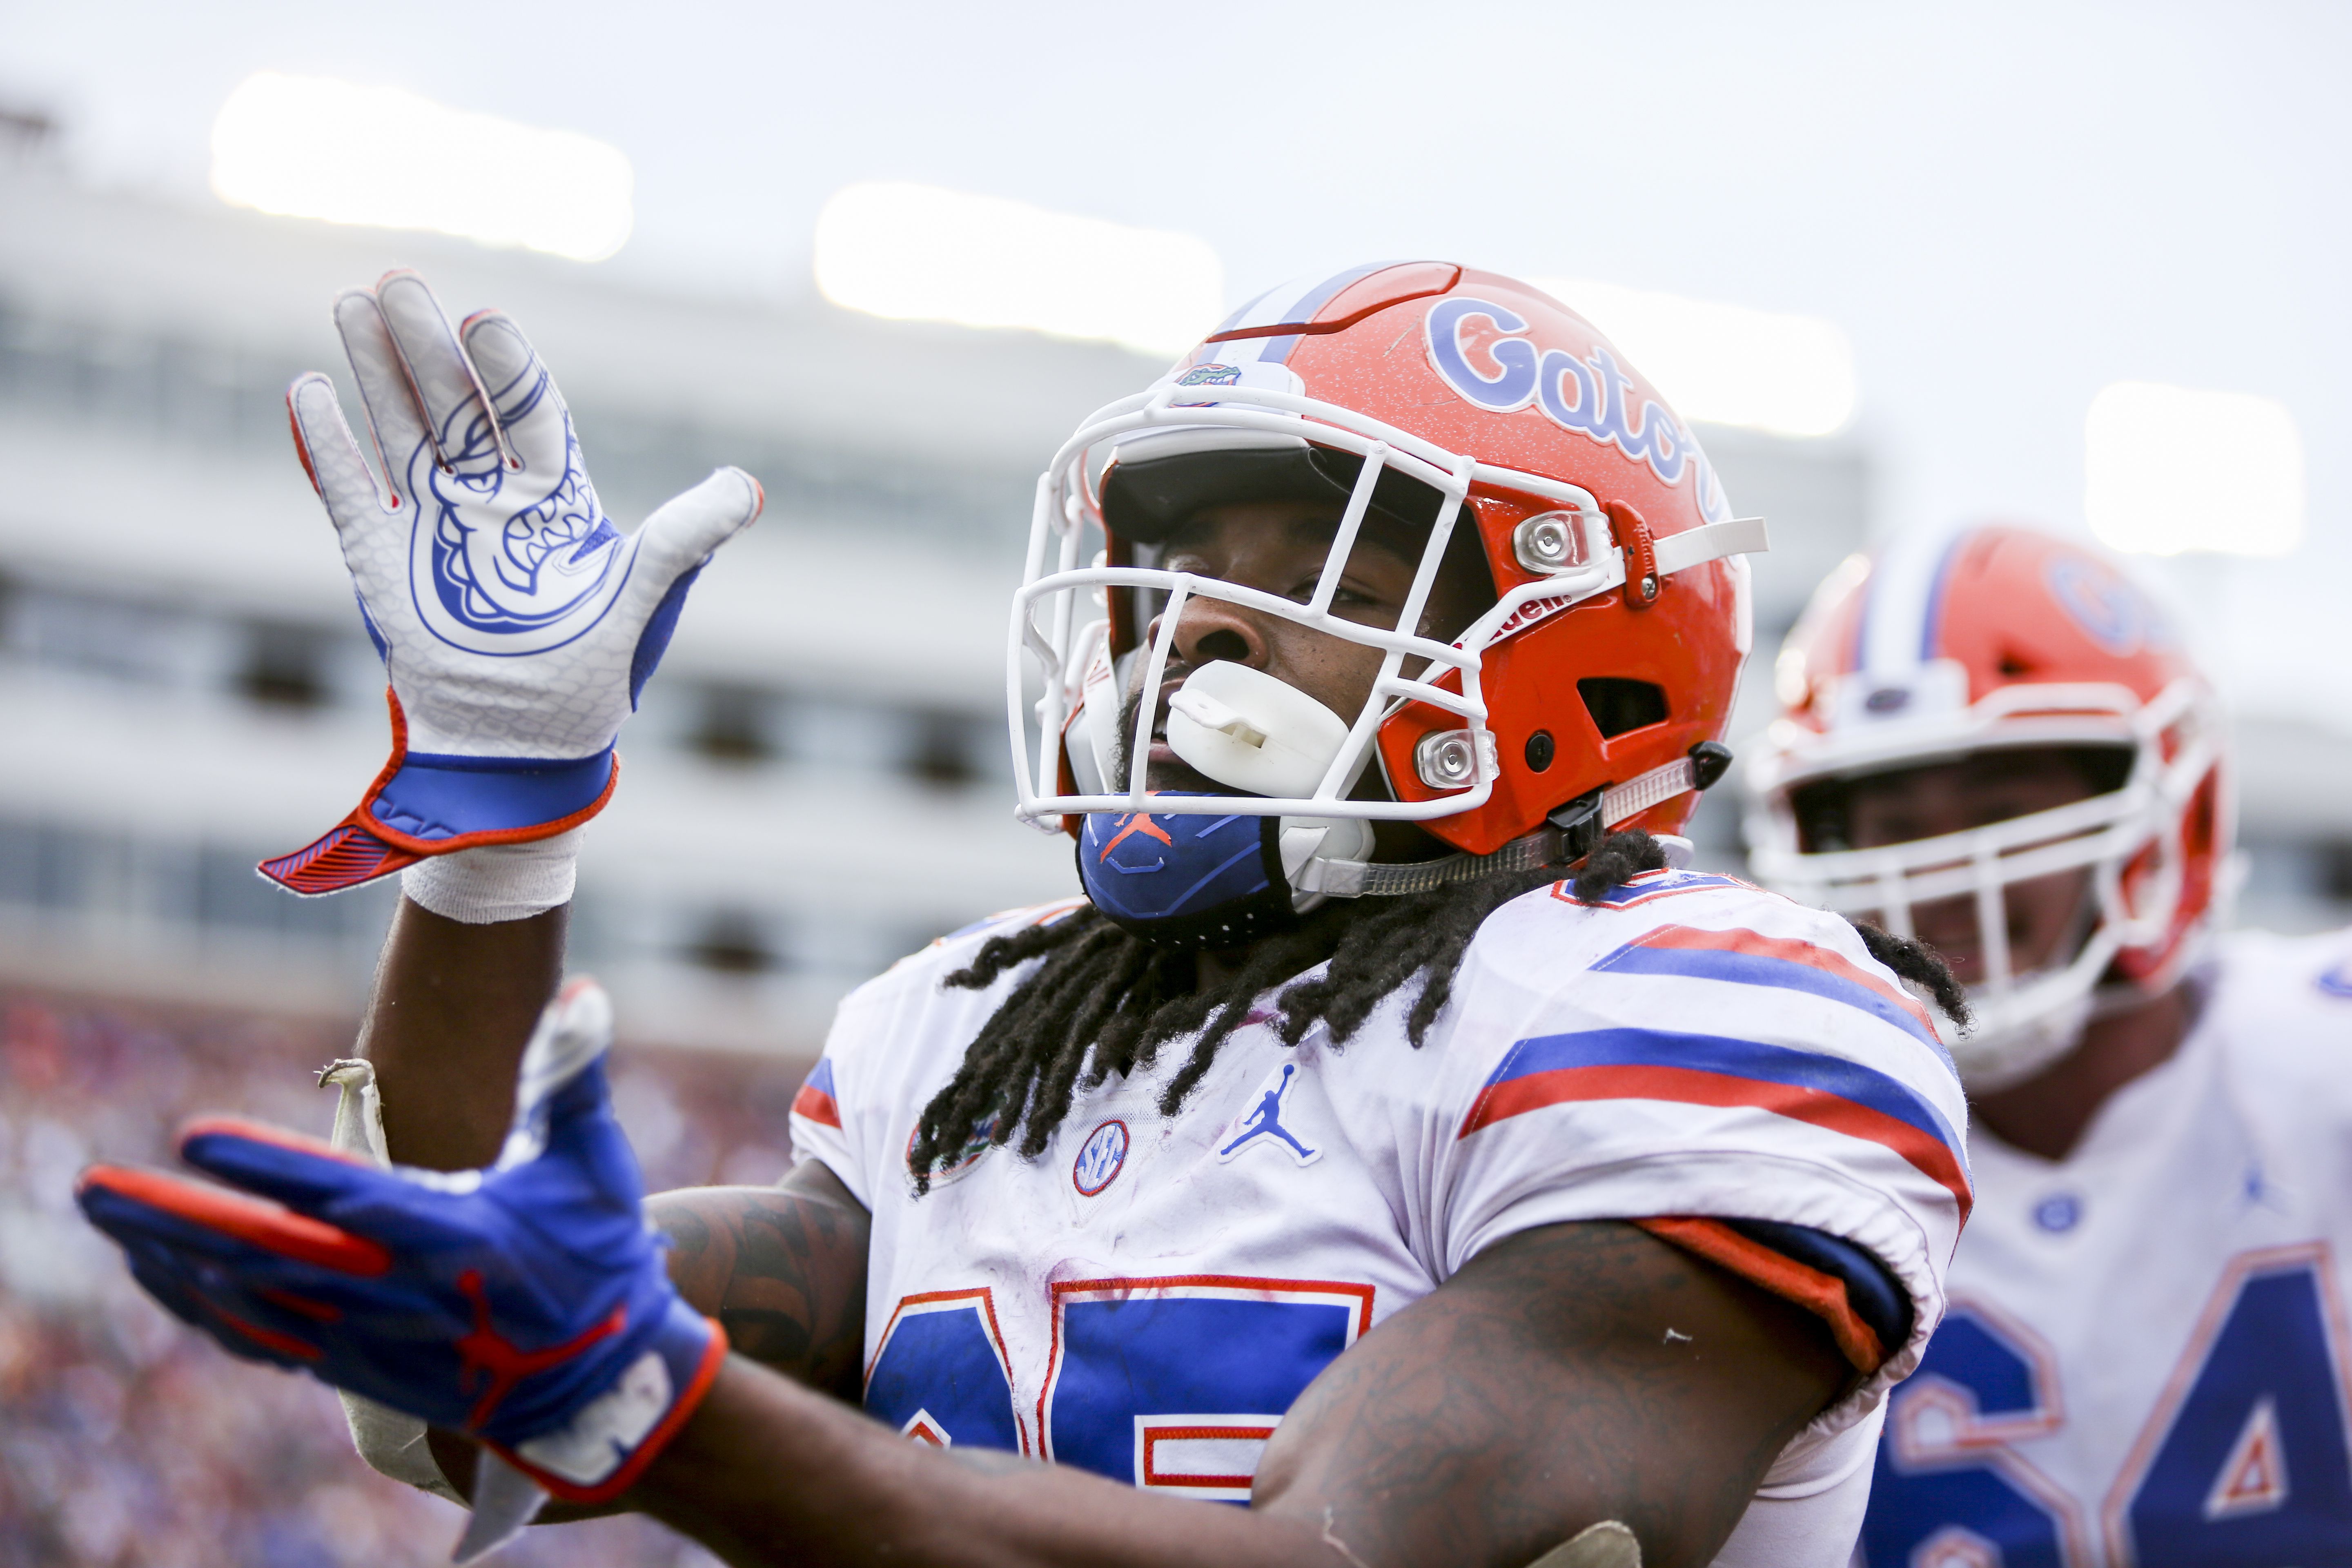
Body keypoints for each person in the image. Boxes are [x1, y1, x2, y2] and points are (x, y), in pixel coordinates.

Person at [79, 263, 1972, 1568]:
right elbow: (464, 1384)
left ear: (1576, 631)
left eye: (1301, 558)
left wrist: (663, 1410)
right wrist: (499, 838)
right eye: (1164, 560)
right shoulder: (967, 1029)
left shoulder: (1692, 1010)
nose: (1188, 624)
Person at [1747, 522, 2352, 1565]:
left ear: (2171, 814)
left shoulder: (2322, 1059)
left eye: (2002, 808)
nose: (1941, 875)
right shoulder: (1771, 1147)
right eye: (1893, 823)